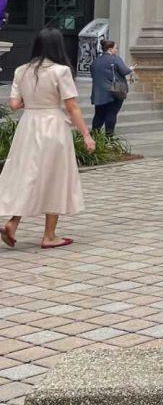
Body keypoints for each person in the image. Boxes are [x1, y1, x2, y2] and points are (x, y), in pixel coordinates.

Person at [0, 27, 95, 250]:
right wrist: (86, 134)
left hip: (28, 126)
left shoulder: (21, 70)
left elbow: (13, 104)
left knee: (28, 175)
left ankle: (13, 222)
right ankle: (49, 235)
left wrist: (29, 102)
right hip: (53, 126)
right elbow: (72, 107)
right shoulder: (60, 71)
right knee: (55, 177)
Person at [89, 39, 134, 136]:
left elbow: (93, 73)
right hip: (114, 92)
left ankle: (94, 136)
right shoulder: (115, 59)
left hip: (98, 93)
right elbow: (124, 71)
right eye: (115, 48)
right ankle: (109, 137)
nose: (116, 50)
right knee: (111, 114)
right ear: (110, 49)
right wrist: (130, 69)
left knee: (99, 115)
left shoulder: (96, 61)